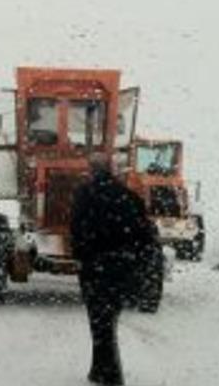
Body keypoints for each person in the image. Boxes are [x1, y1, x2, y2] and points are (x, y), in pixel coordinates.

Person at [70, 154, 162, 386]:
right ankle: (98, 370)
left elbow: (78, 232)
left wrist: (83, 259)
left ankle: (111, 376)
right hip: (124, 269)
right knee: (108, 321)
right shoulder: (129, 196)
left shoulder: (84, 195)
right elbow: (146, 236)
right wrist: (136, 264)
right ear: (111, 171)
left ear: (91, 171)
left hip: (96, 270)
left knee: (100, 324)